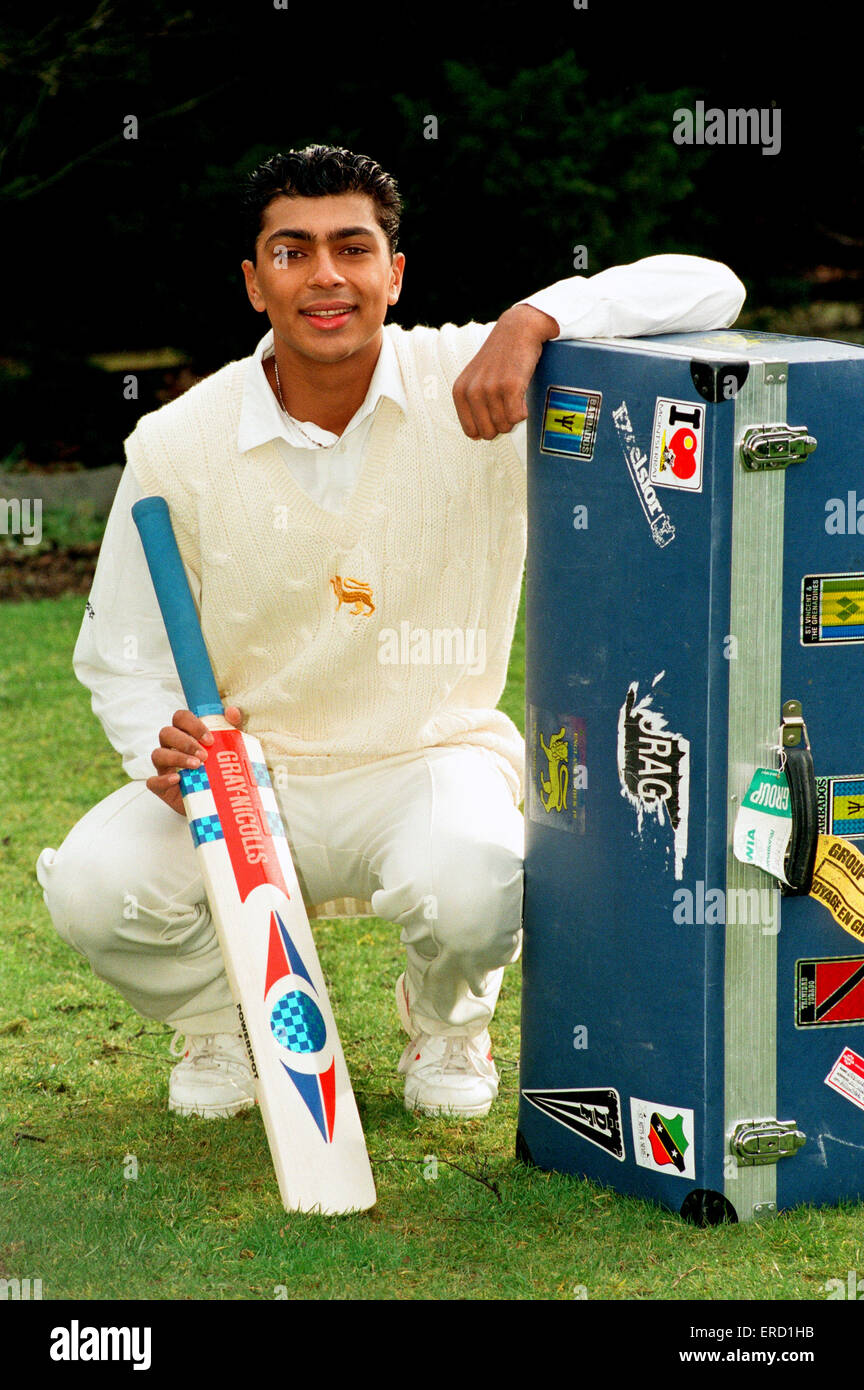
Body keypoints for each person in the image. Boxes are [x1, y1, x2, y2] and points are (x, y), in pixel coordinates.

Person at [36, 145, 744, 1121]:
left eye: (351, 248)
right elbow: (121, 650)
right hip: (253, 770)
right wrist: (166, 740)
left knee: (476, 882)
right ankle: (226, 1017)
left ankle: (445, 1019)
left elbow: (712, 284)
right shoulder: (175, 443)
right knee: (92, 885)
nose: (325, 276)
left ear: (393, 272)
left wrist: (534, 320)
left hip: (429, 754)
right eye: (292, 251)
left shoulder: (476, 375)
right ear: (254, 281)